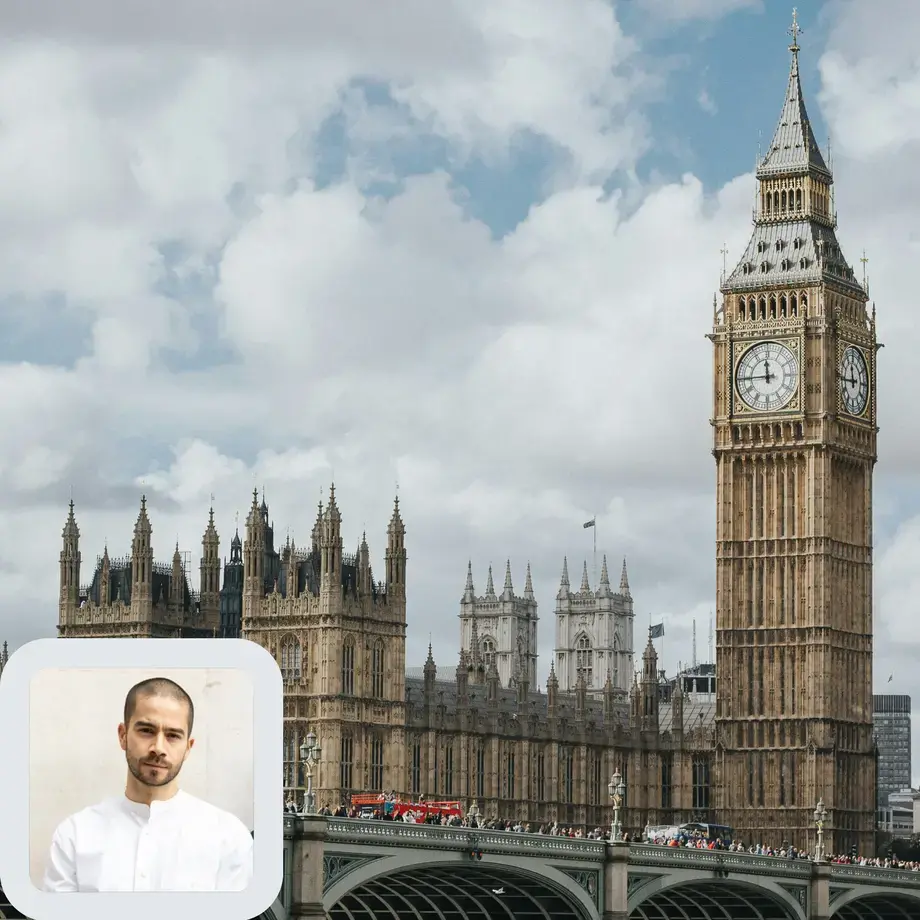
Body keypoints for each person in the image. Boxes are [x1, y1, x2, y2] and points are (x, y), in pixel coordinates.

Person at [42, 676, 253, 892]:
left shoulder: (229, 838)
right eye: (146, 731)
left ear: (188, 747)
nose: (158, 747)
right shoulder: (73, 836)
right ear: (123, 736)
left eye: (172, 735)